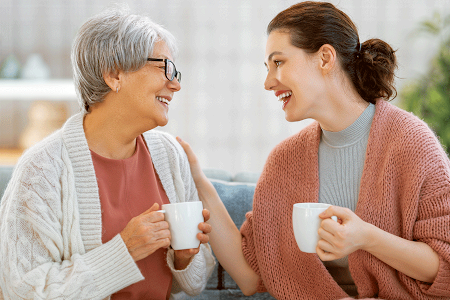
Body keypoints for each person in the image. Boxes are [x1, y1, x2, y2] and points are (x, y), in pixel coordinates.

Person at [176, 1, 450, 299]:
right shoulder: (285, 160)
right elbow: (250, 276)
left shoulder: (411, 143)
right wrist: (199, 182)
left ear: (325, 58)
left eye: (278, 62)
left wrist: (366, 238)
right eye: (267, 68)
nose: (268, 82)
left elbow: (444, 268)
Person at [0, 7, 215, 300]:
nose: (175, 84)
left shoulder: (170, 155)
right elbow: (24, 291)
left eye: (175, 72)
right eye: (164, 68)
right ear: (114, 74)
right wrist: (124, 250)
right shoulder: (41, 169)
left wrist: (184, 258)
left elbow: (195, 282)